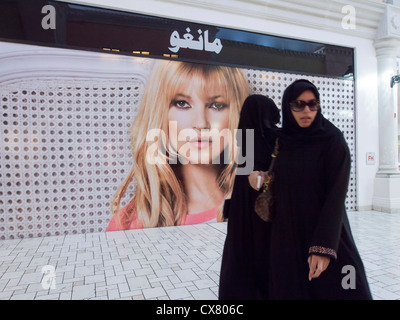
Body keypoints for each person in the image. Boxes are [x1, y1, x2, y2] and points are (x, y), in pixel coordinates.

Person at [249, 79, 372, 299]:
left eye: (312, 104)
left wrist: (323, 247)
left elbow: (336, 197)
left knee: (345, 288)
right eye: (298, 104)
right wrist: (261, 177)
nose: (307, 110)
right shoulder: (283, 140)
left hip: (324, 231)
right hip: (286, 235)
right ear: (288, 106)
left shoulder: (332, 141)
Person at [106, 60, 249, 231]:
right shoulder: (129, 225)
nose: (201, 123)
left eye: (216, 105)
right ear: (160, 114)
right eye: (182, 103)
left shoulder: (260, 207)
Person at [219, 94, 280, 300]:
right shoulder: (272, 137)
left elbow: (244, 173)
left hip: (242, 207)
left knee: (242, 250)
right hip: (264, 207)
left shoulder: (243, 137)